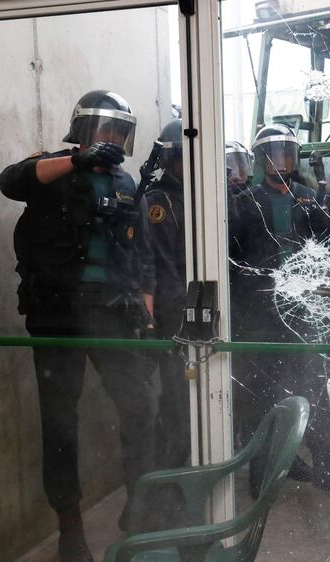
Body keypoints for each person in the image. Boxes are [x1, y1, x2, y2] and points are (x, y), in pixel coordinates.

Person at [0, 90, 156, 562]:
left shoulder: (126, 182)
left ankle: (140, 503)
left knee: (141, 406)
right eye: (105, 131)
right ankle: (70, 525)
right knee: (61, 422)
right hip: (58, 314)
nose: (114, 141)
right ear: (84, 132)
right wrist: (77, 160)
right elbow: (10, 181)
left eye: (120, 133)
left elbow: (140, 253)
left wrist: (144, 305)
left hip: (111, 312)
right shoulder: (54, 170)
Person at [228, 123, 330, 498]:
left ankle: (326, 466)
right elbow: (234, 258)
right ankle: (261, 470)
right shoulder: (243, 202)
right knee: (261, 392)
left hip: (303, 309)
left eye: (287, 152)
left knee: (314, 387)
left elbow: (328, 244)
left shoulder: (307, 196)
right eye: (273, 153)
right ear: (260, 159)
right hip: (260, 313)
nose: (280, 161)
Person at [144, 119, 190, 472]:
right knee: (177, 402)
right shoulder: (158, 202)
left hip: (197, 313)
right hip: (176, 318)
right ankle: (168, 479)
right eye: (183, 157)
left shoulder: (197, 197)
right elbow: (163, 267)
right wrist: (180, 319)